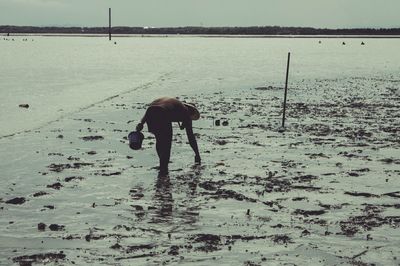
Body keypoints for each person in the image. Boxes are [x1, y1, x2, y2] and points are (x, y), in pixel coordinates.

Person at [136, 97, 201, 176]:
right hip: (163, 113)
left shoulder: (174, 105)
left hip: (150, 114)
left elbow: (151, 109)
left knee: (159, 140)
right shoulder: (186, 111)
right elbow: (190, 137)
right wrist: (197, 154)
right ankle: (164, 168)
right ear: (191, 112)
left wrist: (141, 123)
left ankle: (162, 164)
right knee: (167, 144)